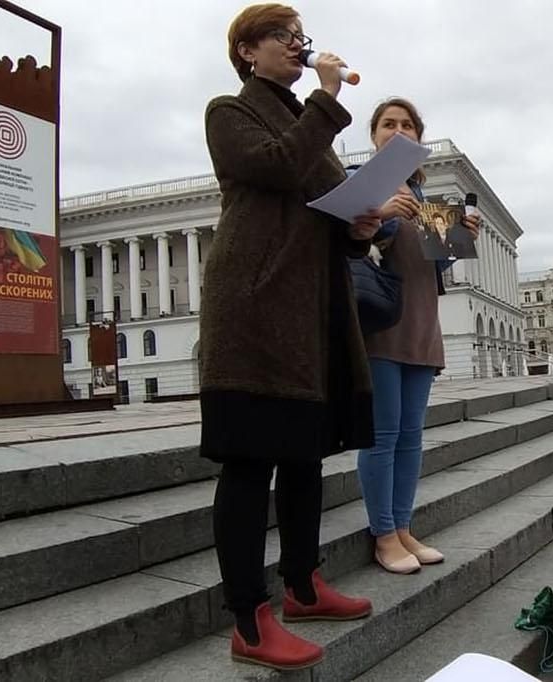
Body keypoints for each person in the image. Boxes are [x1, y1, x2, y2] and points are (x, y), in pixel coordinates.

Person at [200, 4, 376, 671]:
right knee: (250, 462)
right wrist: (328, 97)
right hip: (254, 306)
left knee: (305, 456)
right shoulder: (230, 112)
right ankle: (249, 619)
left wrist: (358, 228)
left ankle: (303, 585)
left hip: (309, 310)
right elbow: (276, 166)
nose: (298, 45)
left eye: (301, 36)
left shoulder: (309, 125)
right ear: (248, 51)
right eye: (283, 36)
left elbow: (324, 206)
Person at [356, 98, 480, 576]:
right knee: (382, 436)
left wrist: (461, 236)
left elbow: (435, 262)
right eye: (388, 123)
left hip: (423, 321)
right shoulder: (360, 181)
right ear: (374, 136)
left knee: (410, 437)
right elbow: (344, 237)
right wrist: (380, 213)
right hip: (380, 323)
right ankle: (384, 534)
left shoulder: (421, 193)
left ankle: (403, 527)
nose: (398, 130)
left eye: (407, 124)